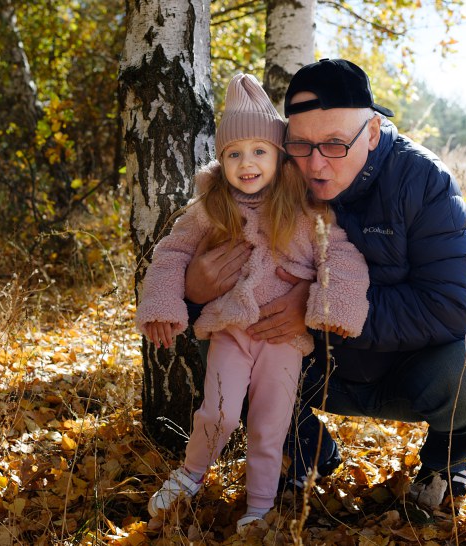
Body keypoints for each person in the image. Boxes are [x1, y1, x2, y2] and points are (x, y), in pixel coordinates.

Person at [184, 59, 466, 511]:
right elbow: (201, 264)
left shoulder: (423, 180)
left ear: (373, 133)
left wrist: (318, 306)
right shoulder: (270, 177)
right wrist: (193, 291)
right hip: (310, 364)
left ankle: (445, 463)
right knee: (222, 335)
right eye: (300, 145)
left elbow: (454, 305)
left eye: (335, 144)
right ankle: (306, 449)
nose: (315, 164)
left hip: (408, 368)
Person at [136, 73, 371, 532]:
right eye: (234, 154)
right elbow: (172, 253)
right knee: (219, 412)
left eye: (259, 151)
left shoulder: (304, 208)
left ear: (279, 155)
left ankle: (259, 506)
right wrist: (163, 305)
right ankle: (190, 474)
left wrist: (334, 306)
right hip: (231, 330)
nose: (247, 163)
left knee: (270, 423)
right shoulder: (211, 208)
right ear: (221, 160)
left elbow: (341, 255)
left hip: (284, 340)